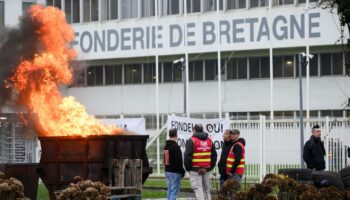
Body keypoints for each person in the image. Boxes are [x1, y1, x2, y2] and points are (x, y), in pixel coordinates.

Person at [184, 124, 217, 200]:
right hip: (206, 170)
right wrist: (210, 168)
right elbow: (214, 155)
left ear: (194, 130)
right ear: (202, 130)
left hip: (195, 170)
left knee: (198, 190)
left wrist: (188, 168)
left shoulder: (192, 140)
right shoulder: (209, 140)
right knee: (207, 190)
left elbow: (187, 156)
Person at [164, 128, 185, 200]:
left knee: (169, 191)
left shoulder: (166, 146)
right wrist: (182, 171)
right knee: (174, 192)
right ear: (176, 135)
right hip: (175, 173)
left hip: (167, 171)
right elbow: (178, 162)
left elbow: (166, 160)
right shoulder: (176, 147)